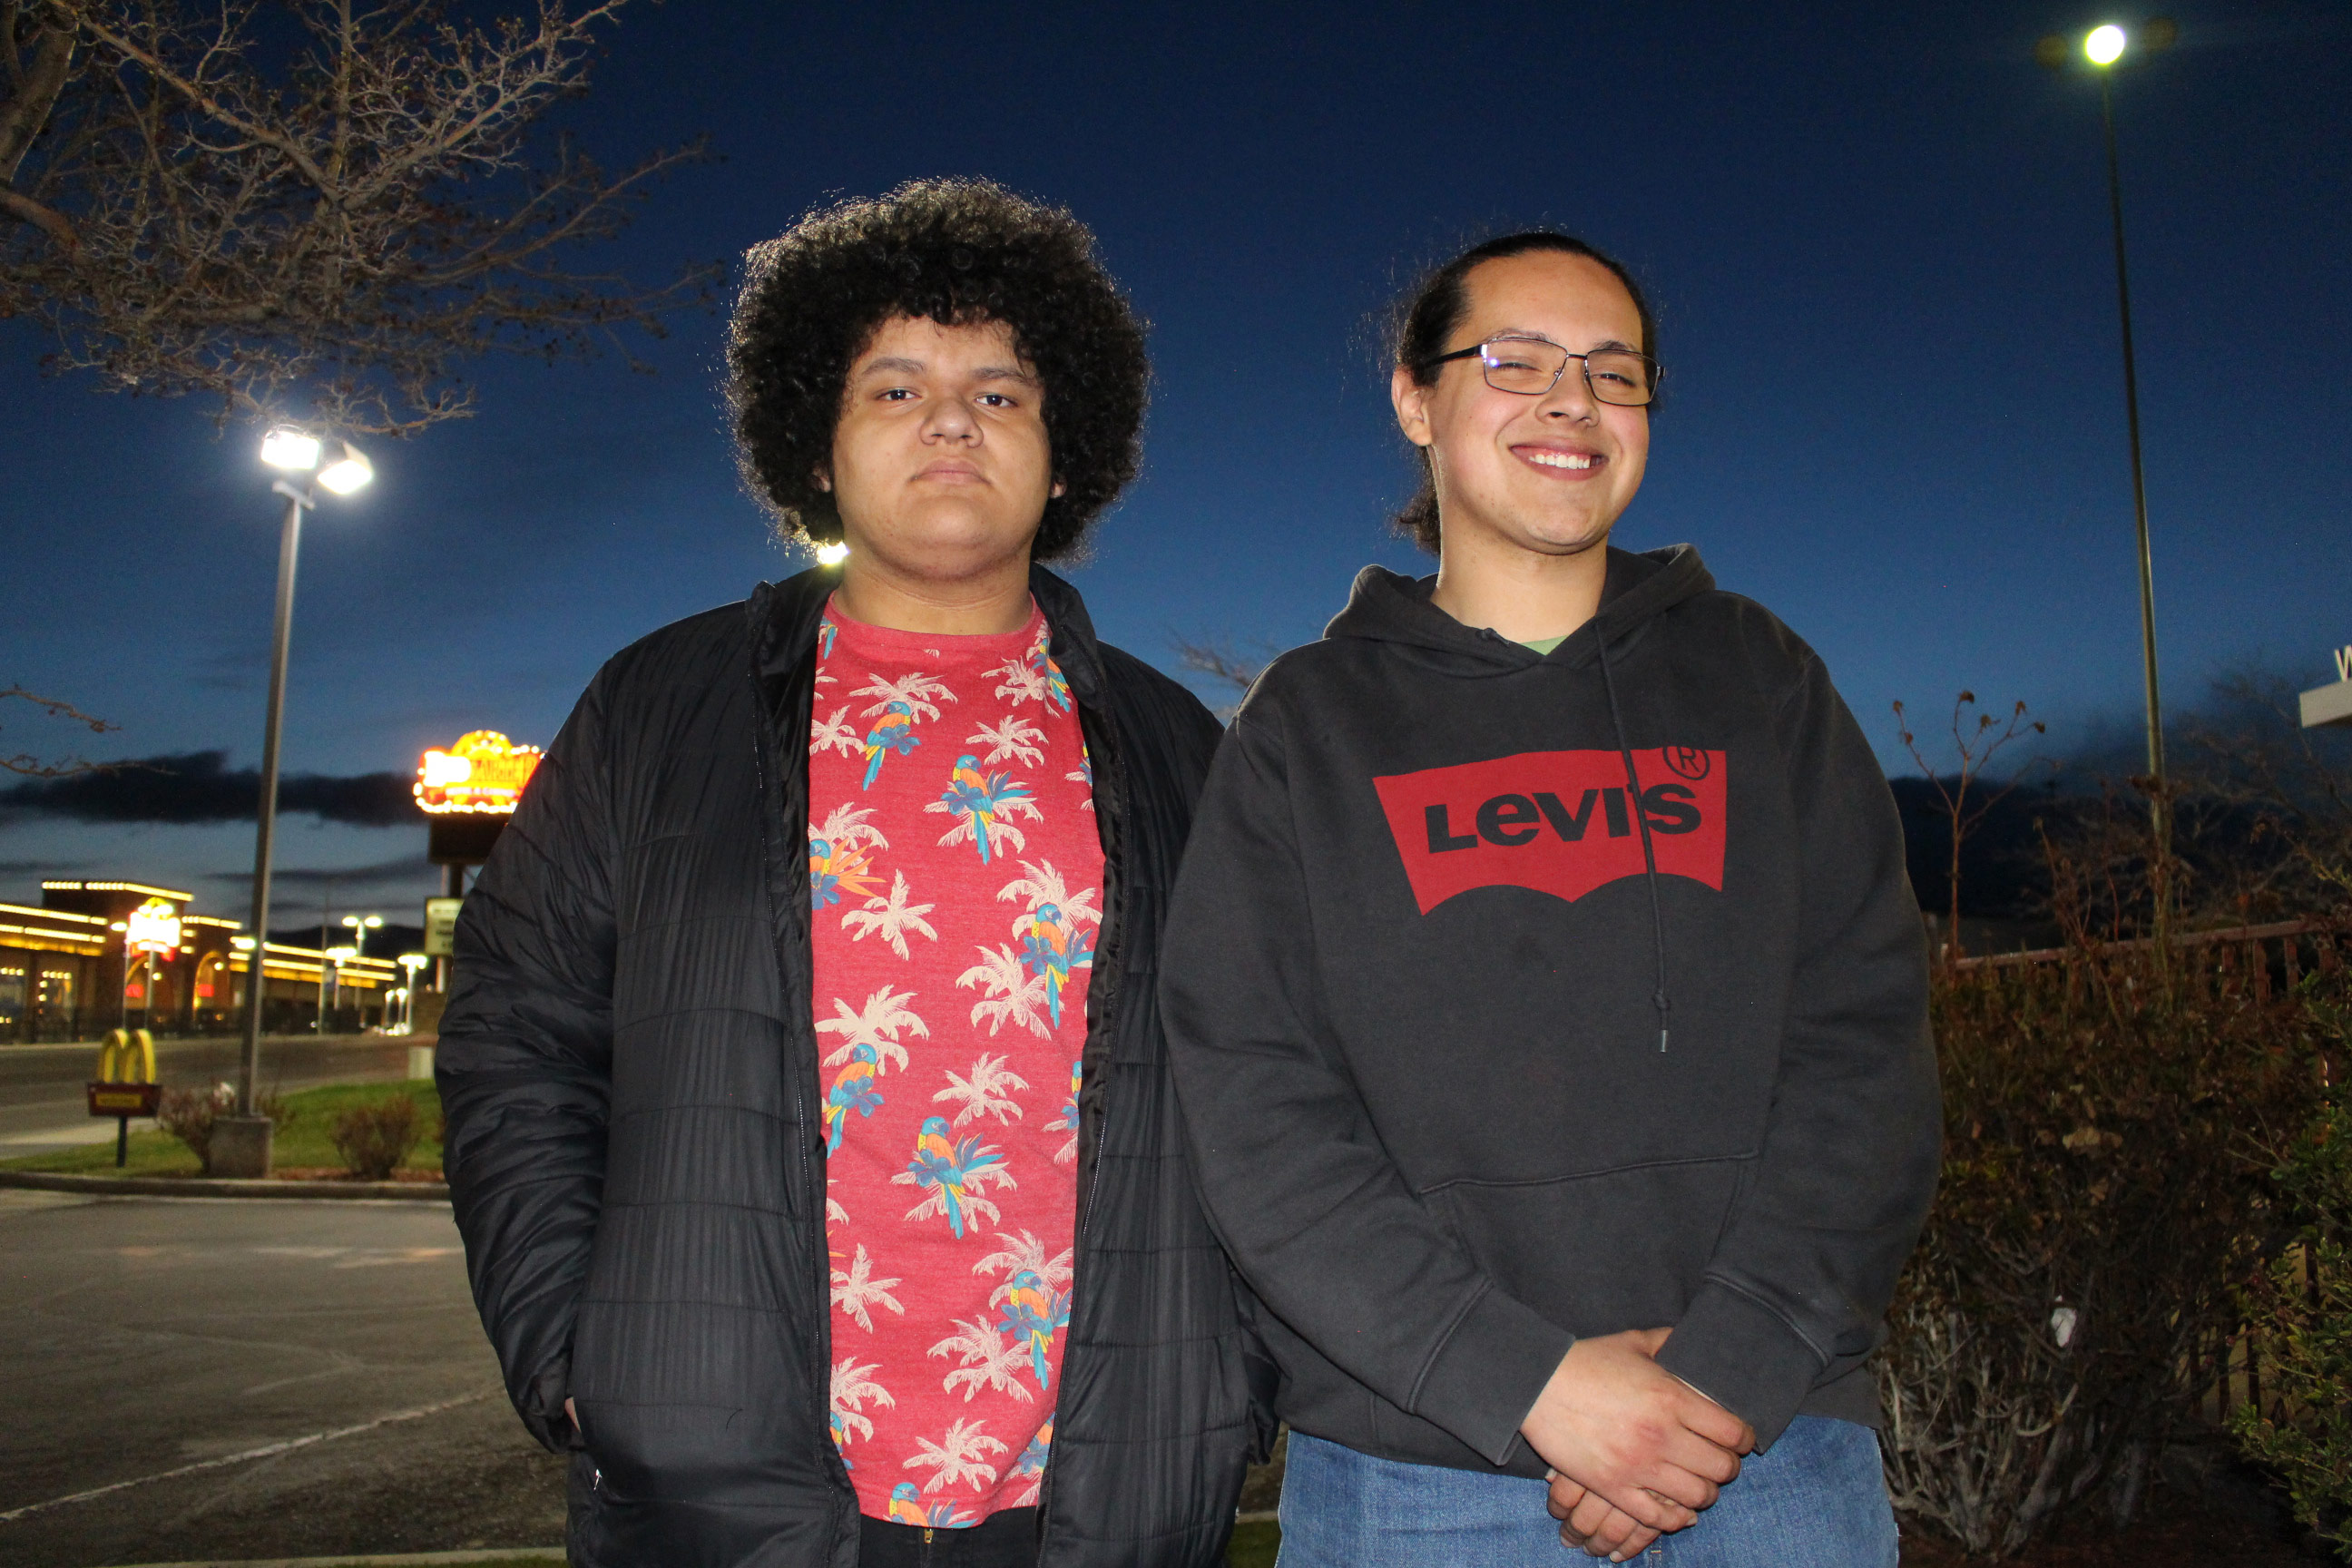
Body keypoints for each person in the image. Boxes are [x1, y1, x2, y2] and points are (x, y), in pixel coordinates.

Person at [439, 178, 1264, 1568]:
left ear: (1068, 459)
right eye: (893, 389)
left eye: (1001, 395)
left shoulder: (1178, 746)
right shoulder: (659, 708)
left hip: (1100, 1486)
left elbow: (1268, 1071)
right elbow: (519, 1036)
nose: (951, 420)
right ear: (813, 451)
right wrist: (574, 1348)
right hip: (726, 1478)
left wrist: (1236, 1378)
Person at [1159, 230, 1941, 1567]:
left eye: (1612, 372)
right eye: (1512, 361)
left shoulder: (1759, 677)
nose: (1569, 401)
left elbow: (1864, 1045)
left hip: (1772, 1451)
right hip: (1423, 1469)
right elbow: (1251, 1100)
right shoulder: (1308, 727)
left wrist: (1728, 1367)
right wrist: (1523, 1378)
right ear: (1417, 400)